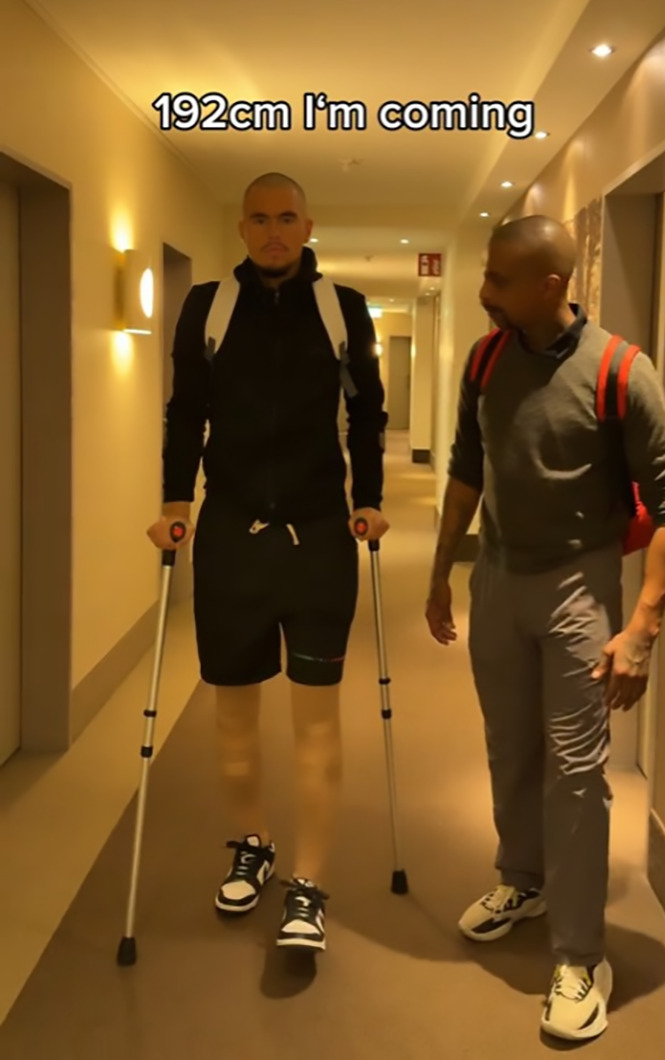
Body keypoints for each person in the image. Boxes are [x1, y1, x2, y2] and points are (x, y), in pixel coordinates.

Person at [426, 215, 665, 1042]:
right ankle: (524, 879)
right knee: (510, 747)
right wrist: (440, 571)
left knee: (576, 773)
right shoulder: (486, 359)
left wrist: (643, 625)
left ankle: (580, 956)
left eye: (498, 279)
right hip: (498, 578)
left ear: (550, 286)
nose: (484, 290)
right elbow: (466, 469)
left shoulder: (621, 370)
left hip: (580, 586)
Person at [147, 172, 389, 954]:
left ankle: (308, 884)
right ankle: (253, 843)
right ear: (243, 229)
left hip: (319, 537)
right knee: (233, 715)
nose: (275, 231)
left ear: (308, 226)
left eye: (288, 218)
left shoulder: (343, 309)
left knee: (316, 721)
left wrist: (369, 497)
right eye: (260, 219)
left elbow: (367, 411)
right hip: (231, 535)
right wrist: (175, 501)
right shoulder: (208, 306)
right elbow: (186, 409)